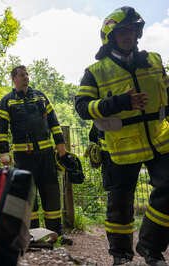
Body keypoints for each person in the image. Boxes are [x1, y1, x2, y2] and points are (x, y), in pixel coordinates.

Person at [75, 6, 169, 265]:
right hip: (121, 146)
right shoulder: (95, 71)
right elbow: (82, 107)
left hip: (161, 140)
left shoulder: (154, 60)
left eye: (132, 30)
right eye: (122, 31)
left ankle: (150, 248)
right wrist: (119, 102)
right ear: (111, 36)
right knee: (120, 204)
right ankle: (120, 255)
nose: (129, 35)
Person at [0, 65, 68, 241]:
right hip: (23, 157)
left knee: (51, 191)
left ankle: (56, 234)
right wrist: (4, 153)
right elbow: (1, 129)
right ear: (14, 79)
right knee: (28, 194)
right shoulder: (7, 101)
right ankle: (32, 235)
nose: (26, 77)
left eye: (27, 74)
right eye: (22, 75)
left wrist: (60, 144)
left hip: (46, 155)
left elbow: (54, 121)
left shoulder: (40, 97)